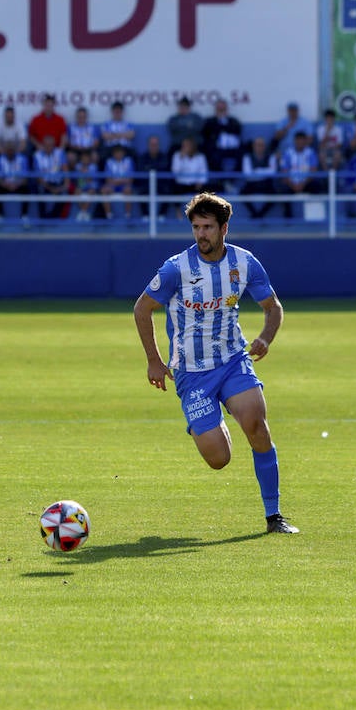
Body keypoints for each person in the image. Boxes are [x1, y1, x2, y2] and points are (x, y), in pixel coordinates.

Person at [133, 191, 298, 535]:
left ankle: (274, 516)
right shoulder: (176, 268)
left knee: (256, 425)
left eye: (207, 227)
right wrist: (153, 360)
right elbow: (142, 308)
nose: (201, 234)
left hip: (232, 360)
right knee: (218, 459)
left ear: (224, 228)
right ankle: (210, 418)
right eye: (196, 227)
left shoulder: (244, 263)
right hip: (191, 373)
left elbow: (273, 306)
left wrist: (266, 337)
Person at [240, 136, 278, 219]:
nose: (259, 147)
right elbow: (247, 174)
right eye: (257, 145)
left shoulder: (271, 156)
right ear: (253, 146)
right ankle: (255, 213)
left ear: (265, 146)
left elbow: (273, 172)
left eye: (261, 145)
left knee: (275, 194)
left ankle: (260, 214)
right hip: (252, 184)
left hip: (266, 184)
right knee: (242, 193)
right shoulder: (247, 157)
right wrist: (264, 173)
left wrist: (257, 172)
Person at [100, 142, 135, 220]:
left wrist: (118, 181)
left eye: (120, 152)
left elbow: (130, 179)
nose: (118, 154)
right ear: (113, 153)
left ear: (123, 153)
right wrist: (119, 181)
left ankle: (127, 215)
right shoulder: (109, 162)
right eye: (116, 152)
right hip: (113, 185)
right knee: (104, 190)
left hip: (124, 185)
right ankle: (109, 215)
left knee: (128, 190)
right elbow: (107, 179)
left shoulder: (128, 161)